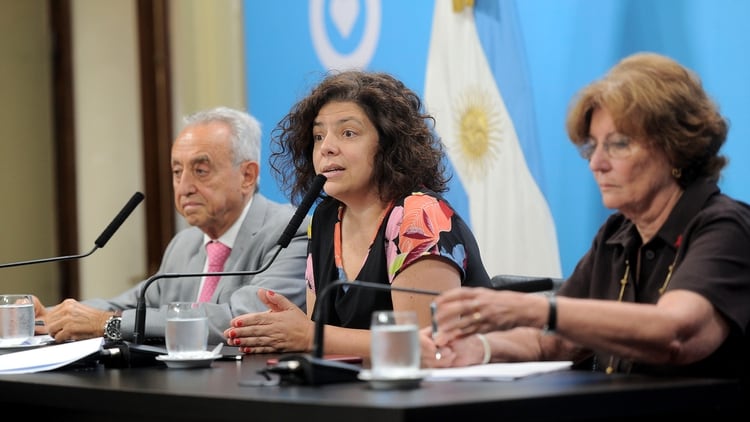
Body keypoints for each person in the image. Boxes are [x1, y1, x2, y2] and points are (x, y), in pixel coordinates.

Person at [425, 52, 750, 390]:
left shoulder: (725, 227)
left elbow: (678, 333)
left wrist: (532, 309)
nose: (597, 163)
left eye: (618, 145)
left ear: (675, 147)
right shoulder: (617, 234)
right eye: (593, 146)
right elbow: (552, 342)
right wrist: (477, 348)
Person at [223, 70, 491, 357]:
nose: (326, 148)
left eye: (348, 133)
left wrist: (308, 335)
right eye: (318, 136)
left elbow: (426, 347)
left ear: (388, 144)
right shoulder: (326, 218)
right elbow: (322, 342)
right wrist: (289, 334)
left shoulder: (419, 215)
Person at [33, 106, 309, 345]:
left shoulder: (291, 232)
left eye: (201, 171)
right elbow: (131, 305)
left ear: (247, 176)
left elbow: (243, 319)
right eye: (177, 172)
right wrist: (51, 315)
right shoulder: (185, 243)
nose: (185, 187)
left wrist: (109, 324)